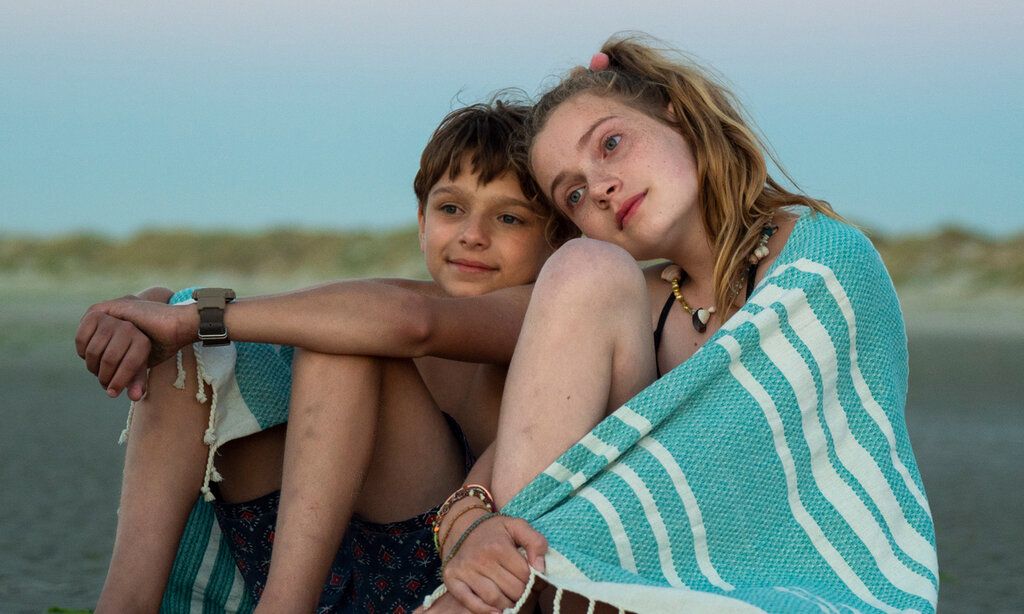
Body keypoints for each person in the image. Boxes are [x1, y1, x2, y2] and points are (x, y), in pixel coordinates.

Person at [423, 37, 938, 613]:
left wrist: (514, 540)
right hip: (586, 569)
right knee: (583, 271)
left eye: (611, 144)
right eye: (573, 194)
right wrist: (472, 524)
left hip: (794, 584)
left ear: (677, 114)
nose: (598, 187)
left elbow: (746, 465)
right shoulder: (618, 294)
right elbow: (509, 467)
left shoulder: (821, 258)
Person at [76, 98, 575, 613]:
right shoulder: (388, 300)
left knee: (345, 340)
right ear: (422, 220)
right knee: (207, 341)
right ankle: (125, 602)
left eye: (510, 218)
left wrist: (186, 318)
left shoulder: (545, 312)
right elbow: (318, 310)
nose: (473, 235)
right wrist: (153, 305)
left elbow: (407, 322)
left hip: (434, 568)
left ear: (557, 240)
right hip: (311, 549)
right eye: (451, 209)